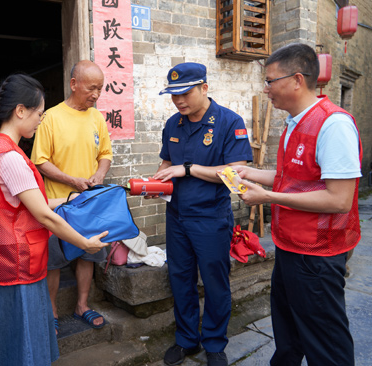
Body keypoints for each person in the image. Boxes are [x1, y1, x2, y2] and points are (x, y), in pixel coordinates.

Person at [235, 43, 361, 366]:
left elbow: (339, 199)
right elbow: (293, 176)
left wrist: (267, 197)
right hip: (290, 247)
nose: (266, 89)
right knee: (288, 337)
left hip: (317, 256)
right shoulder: (294, 122)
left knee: (326, 346)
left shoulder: (334, 125)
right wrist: (252, 173)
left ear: (297, 80)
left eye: (270, 81)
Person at [0, 73, 109, 365]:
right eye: (38, 114)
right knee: (22, 340)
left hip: (6, 257)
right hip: (18, 262)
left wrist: (73, 199)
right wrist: (85, 242)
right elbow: (44, 215)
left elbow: (34, 203)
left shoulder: (0, 149)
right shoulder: (10, 156)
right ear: (20, 110)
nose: (40, 121)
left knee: (7, 337)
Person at [152, 62, 253, 366]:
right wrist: (154, 181)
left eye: (185, 93)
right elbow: (166, 161)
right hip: (177, 217)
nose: (179, 100)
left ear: (204, 88)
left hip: (210, 218)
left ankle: (214, 342)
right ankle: (186, 339)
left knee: (214, 281)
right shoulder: (173, 124)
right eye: (173, 95)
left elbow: (236, 173)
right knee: (180, 278)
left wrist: (188, 169)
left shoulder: (228, 122)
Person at [30, 60, 113, 330]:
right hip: (58, 203)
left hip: (90, 202)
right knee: (53, 260)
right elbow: (40, 161)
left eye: (100, 89)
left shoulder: (97, 117)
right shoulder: (51, 117)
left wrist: (99, 175)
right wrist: (72, 181)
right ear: (74, 84)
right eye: (92, 88)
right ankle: (51, 311)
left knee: (88, 254)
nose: (96, 95)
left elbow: (105, 155)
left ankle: (82, 305)